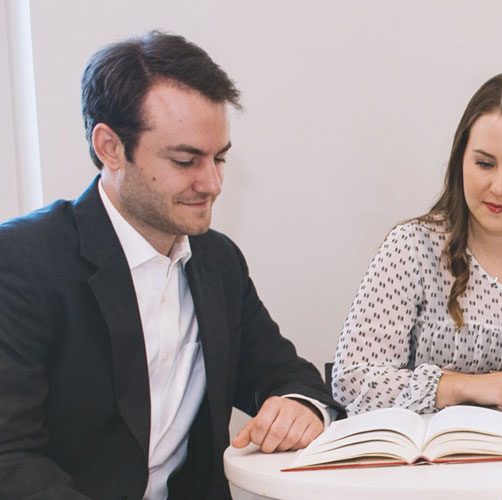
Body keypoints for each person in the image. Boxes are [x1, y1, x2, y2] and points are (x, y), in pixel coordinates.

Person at [0, 31, 344, 500]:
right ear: (110, 147)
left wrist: (299, 406)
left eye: (220, 158)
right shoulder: (23, 262)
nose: (213, 182)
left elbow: (289, 376)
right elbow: (11, 459)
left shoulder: (217, 261)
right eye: (186, 160)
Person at [331, 73, 502, 415]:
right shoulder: (412, 246)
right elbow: (353, 381)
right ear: (460, 158)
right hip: (436, 458)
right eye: (484, 164)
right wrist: (473, 387)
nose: (498, 187)